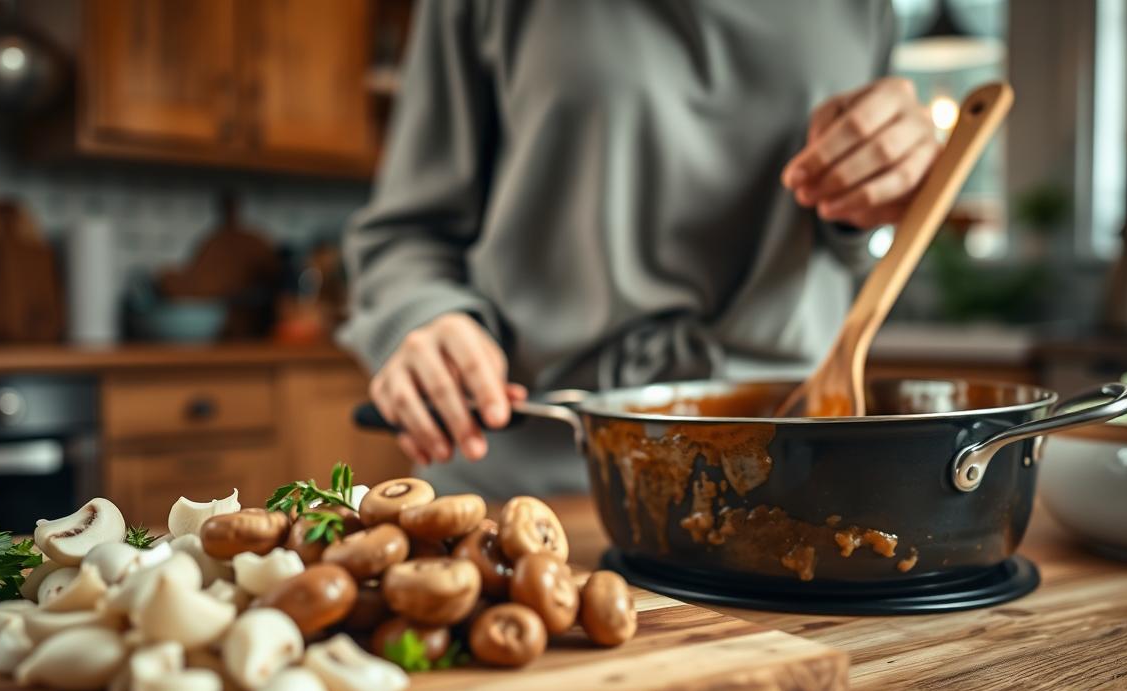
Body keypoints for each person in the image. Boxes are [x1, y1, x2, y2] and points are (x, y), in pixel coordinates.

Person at [339, 0, 940, 497]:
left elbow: (847, 249)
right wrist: (424, 316)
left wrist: (875, 202)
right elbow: (404, 233)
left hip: (785, 480)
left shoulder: (866, 11)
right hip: (533, 484)